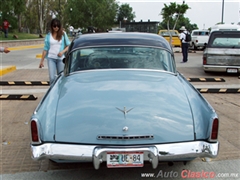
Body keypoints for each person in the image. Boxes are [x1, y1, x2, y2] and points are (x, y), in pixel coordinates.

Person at [39, 18, 71, 85]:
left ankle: (60, 92)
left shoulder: (63, 34)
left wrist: (62, 52)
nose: (56, 28)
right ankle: (52, 93)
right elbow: (45, 49)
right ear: (52, 26)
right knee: (52, 78)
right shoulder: (48, 36)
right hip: (51, 58)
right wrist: (41, 61)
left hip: (60, 59)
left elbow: (68, 45)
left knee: (61, 77)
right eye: (54, 26)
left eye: (58, 26)